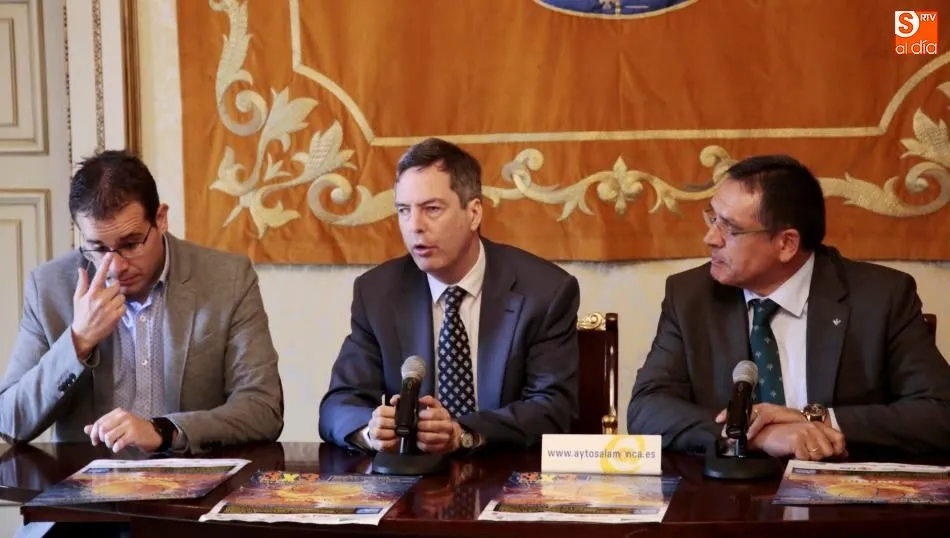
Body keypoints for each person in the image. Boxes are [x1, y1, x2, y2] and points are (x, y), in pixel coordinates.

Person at [627, 154, 950, 460]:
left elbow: (939, 412)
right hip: (726, 491)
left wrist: (814, 421)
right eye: (712, 218)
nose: (711, 238)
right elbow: (647, 408)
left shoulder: (880, 297)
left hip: (841, 490)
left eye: (730, 228)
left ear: (786, 244)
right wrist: (755, 436)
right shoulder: (691, 296)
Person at [0, 150, 284, 455]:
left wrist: (164, 431)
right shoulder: (49, 288)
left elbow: (263, 409)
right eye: (97, 248)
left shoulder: (227, 280)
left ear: (160, 219)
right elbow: (10, 422)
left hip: (191, 476)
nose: (115, 266)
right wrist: (78, 341)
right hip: (87, 481)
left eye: (131, 244)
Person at [319, 137, 580, 454]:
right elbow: (338, 405)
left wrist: (463, 433)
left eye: (432, 209)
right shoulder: (377, 292)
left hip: (502, 471)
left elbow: (553, 409)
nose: (415, 226)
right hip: (411, 477)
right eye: (404, 210)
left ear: (474, 213)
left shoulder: (544, 291)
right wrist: (371, 432)